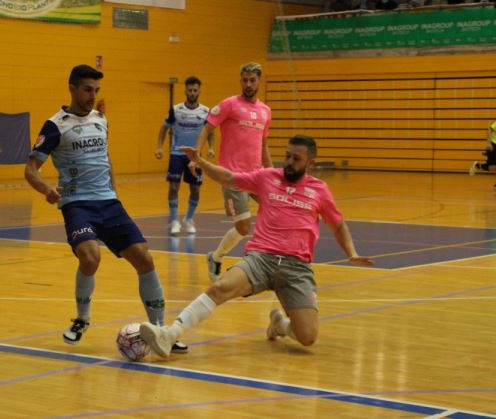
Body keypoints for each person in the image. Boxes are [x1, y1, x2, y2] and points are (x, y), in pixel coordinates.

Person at [140, 135, 374, 358]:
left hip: (297, 268)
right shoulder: (267, 177)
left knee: (308, 337)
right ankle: (169, 335)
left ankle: (280, 324)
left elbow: (339, 225)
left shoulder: (320, 190)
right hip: (261, 259)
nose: (289, 163)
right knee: (221, 287)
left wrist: (351, 253)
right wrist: (201, 161)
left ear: (310, 163)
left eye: (296, 159)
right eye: (288, 156)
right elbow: (229, 178)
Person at [24, 64, 186, 353]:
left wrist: (114, 192)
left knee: (145, 259)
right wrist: (47, 189)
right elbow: (31, 169)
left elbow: (105, 156)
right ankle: (82, 319)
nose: (92, 95)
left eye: (97, 90)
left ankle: (162, 330)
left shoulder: (101, 119)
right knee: (90, 257)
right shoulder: (55, 125)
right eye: (88, 89)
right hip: (78, 205)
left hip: (109, 203)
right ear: (72, 88)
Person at [190, 62, 273, 282]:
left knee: (276, 208)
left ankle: (267, 258)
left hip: (257, 175)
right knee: (244, 227)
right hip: (233, 176)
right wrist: (196, 155)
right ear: (240, 81)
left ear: (259, 81)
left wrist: (272, 173)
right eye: (244, 80)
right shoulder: (229, 105)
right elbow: (207, 127)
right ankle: (216, 257)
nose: (248, 84)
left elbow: (263, 145)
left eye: (252, 80)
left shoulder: (265, 111)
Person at [155, 76, 214, 235]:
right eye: (190, 90)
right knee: (173, 186)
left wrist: (211, 147)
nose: (192, 93)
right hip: (176, 153)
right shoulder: (176, 110)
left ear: (199, 91)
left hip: (195, 156)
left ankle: (188, 219)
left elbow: (209, 131)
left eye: (195, 90)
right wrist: (159, 147)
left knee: (195, 189)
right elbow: (164, 128)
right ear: (185, 90)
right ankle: (174, 220)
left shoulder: (205, 111)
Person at [469, 121, 496, 189]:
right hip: (493, 146)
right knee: (492, 168)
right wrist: (488, 143)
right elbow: (489, 130)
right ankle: (478, 166)